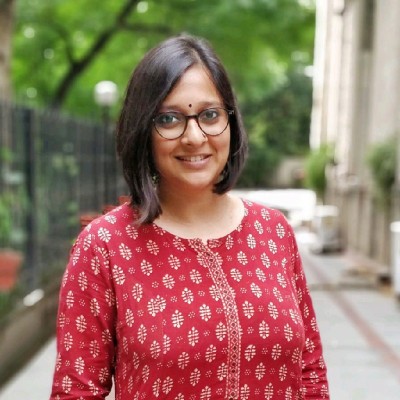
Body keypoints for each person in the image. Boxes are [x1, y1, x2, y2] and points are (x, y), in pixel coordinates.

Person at [49, 34, 330, 400]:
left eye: (210, 115)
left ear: (230, 121)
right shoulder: (105, 246)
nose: (194, 137)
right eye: (169, 119)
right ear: (142, 129)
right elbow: (76, 391)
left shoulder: (272, 231)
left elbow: (310, 374)